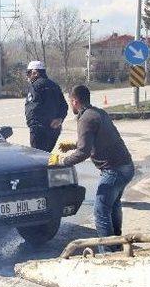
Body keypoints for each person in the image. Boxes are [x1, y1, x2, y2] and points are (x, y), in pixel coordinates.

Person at [51, 85, 134, 253]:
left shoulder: (85, 119)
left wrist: (61, 161)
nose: (71, 105)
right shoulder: (98, 113)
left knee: (101, 211)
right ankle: (117, 245)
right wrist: (73, 144)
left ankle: (108, 254)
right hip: (126, 167)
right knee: (113, 205)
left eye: (70, 102)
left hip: (113, 170)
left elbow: (83, 152)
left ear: (74, 101)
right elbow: (97, 138)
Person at [24, 60, 68, 152]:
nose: (27, 76)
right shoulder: (55, 86)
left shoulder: (35, 86)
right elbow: (64, 106)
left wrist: (33, 127)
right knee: (46, 156)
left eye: (28, 73)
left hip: (40, 131)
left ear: (35, 73)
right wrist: (60, 119)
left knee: (37, 158)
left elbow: (32, 109)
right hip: (54, 130)